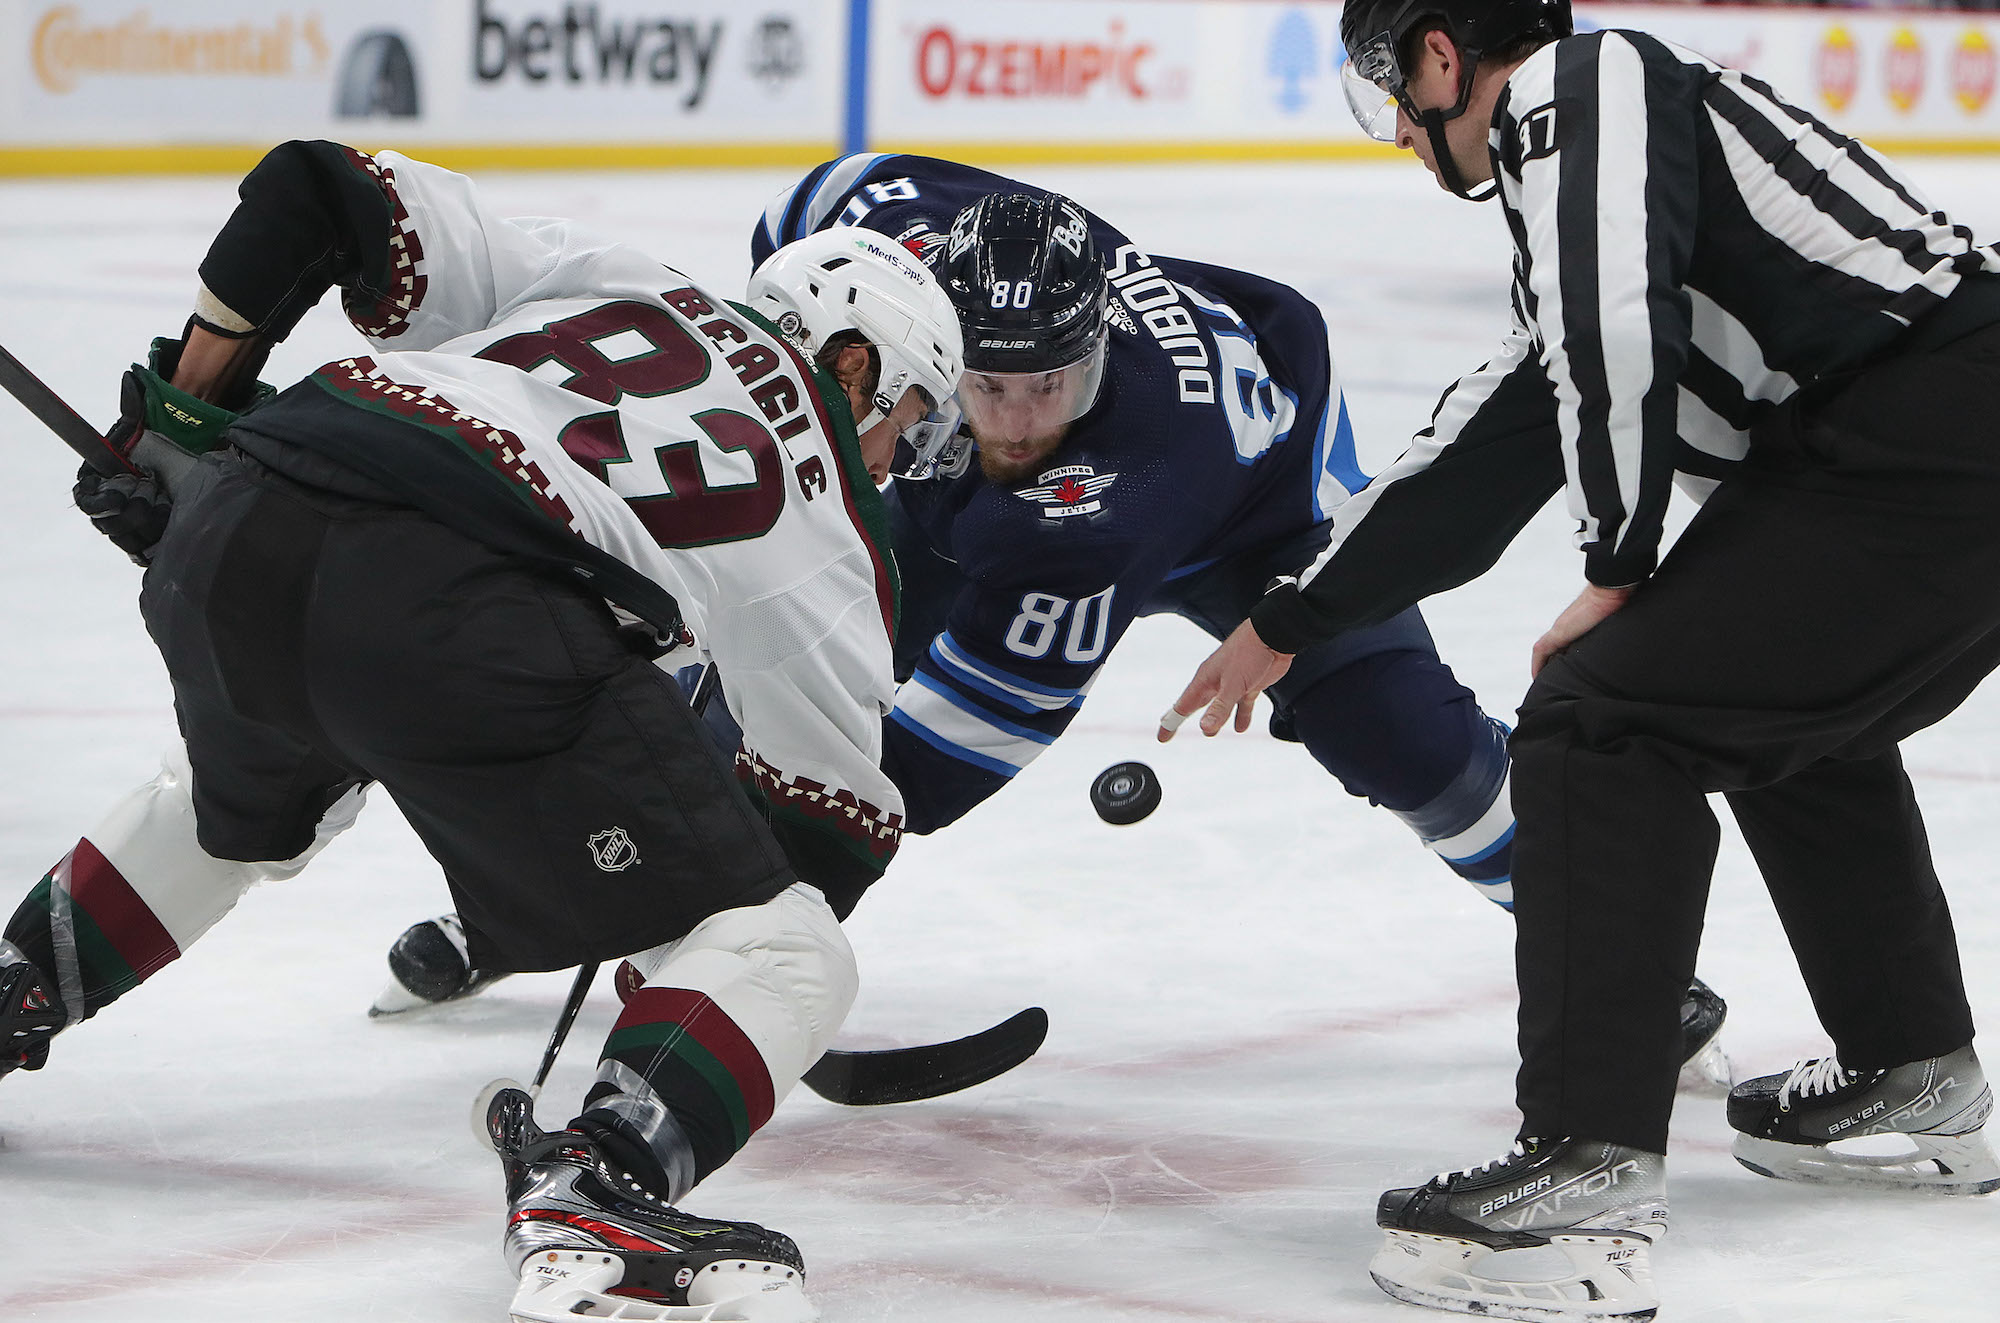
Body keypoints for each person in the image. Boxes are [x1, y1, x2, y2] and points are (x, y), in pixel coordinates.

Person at [0, 139, 964, 1323]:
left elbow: (319, 190)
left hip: (246, 514)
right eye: (904, 423)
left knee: (242, 804)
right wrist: (684, 963)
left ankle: (14, 987)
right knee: (791, 951)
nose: (892, 463)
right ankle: (598, 1184)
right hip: (461, 613)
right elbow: (835, 829)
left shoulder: (619, 276)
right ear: (855, 359)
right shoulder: (830, 518)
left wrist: (185, 421)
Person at [1165, 1, 2000, 1317]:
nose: (1398, 128)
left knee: (1598, 722)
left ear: (1444, 57)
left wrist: (1617, 559)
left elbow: (1616, 329)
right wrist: (1291, 617)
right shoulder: (1592, 155)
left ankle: (1589, 1170)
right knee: (1762, 700)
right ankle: (1913, 1068)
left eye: (1396, 87)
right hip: (1923, 447)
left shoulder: (1580, 87)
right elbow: (1500, 431)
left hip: (1927, 434)